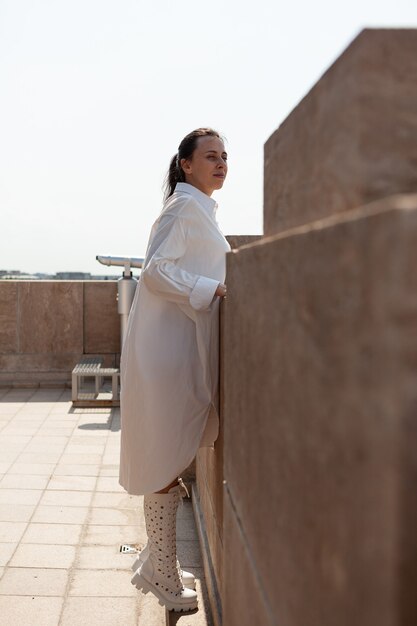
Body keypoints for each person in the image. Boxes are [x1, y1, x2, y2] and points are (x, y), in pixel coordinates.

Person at [119, 128, 230, 612]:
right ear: (185, 164)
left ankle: (156, 562)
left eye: (224, 156)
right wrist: (213, 288)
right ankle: (162, 571)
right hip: (163, 356)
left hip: (173, 350)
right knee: (163, 459)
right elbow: (154, 270)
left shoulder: (197, 209)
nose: (221, 162)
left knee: (167, 455)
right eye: (210, 156)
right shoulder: (183, 208)